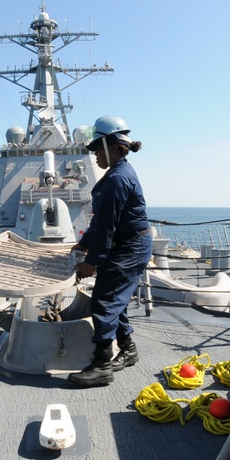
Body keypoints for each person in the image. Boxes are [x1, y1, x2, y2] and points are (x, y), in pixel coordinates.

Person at [69, 115, 153, 388]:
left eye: (97, 149)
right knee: (114, 297)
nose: (94, 156)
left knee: (104, 302)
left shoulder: (118, 179)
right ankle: (128, 349)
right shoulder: (116, 175)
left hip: (130, 247)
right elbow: (99, 221)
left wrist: (91, 262)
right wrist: (83, 244)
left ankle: (102, 365)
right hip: (126, 245)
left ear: (113, 146)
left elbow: (107, 225)